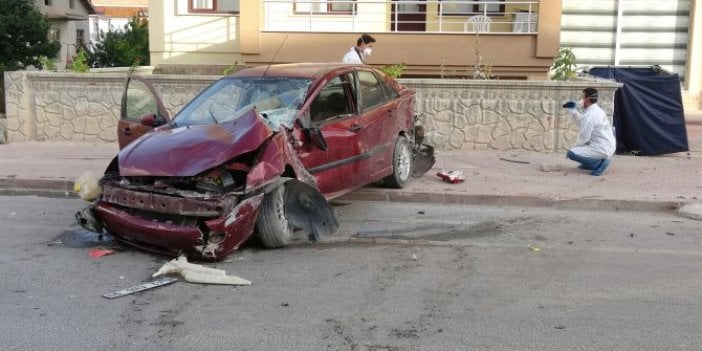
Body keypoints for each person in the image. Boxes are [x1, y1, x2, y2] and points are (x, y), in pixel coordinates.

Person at [563, 87, 616, 176]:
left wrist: (574, 149)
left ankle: (598, 164)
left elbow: (584, 136)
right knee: (580, 149)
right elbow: (581, 121)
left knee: (572, 153)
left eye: (582, 97)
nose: (581, 99)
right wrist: (572, 110)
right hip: (607, 145)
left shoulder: (590, 115)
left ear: (587, 99)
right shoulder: (596, 110)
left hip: (602, 148)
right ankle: (589, 163)